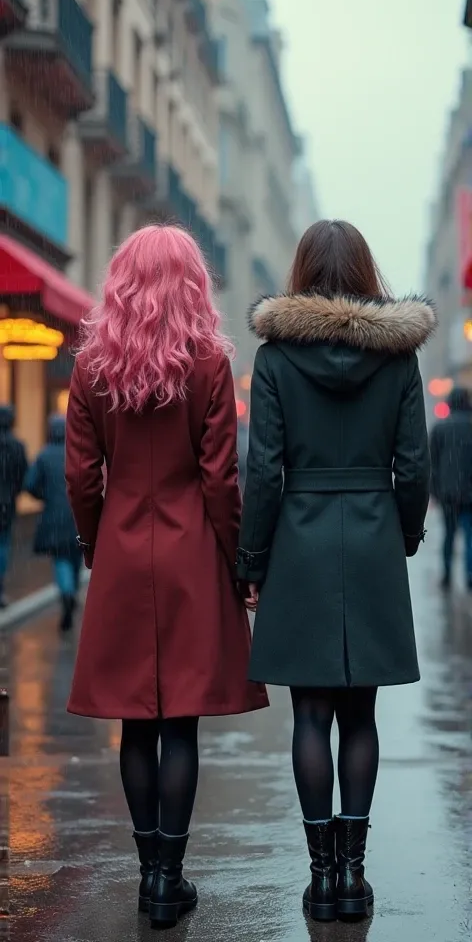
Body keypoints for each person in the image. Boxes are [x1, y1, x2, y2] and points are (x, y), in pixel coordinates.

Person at [65, 225, 268, 929]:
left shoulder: (93, 364)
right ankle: (168, 880)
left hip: (122, 548)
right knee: (179, 722)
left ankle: (148, 868)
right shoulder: (209, 362)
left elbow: (80, 475)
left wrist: (95, 542)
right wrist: (239, 557)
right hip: (190, 552)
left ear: (121, 280)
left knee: (133, 722)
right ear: (193, 283)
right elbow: (220, 476)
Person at [236, 219, 434, 922]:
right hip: (374, 532)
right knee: (362, 715)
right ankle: (354, 873)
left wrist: (251, 560)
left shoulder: (278, 359)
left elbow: (263, 470)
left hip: (301, 539)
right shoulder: (399, 359)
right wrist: (406, 532)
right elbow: (413, 465)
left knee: (310, 713)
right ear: (365, 273)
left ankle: (320, 877)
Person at [25, 415, 82, 632]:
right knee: (77, 556)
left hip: (53, 518)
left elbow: (29, 484)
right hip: (77, 515)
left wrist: (45, 495)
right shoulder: (76, 454)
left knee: (60, 558)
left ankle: (66, 592)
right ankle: (73, 592)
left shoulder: (44, 456)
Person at [430, 386, 472, 591]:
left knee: (449, 534)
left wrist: (434, 491)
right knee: (470, 535)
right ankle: (470, 575)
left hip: (448, 493)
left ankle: (447, 574)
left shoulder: (440, 428)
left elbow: (431, 463)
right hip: (470, 493)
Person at [0, 404, 28, 609]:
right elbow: (22, 476)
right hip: (7, 503)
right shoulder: (17, 446)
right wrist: (13, 493)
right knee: (3, 545)